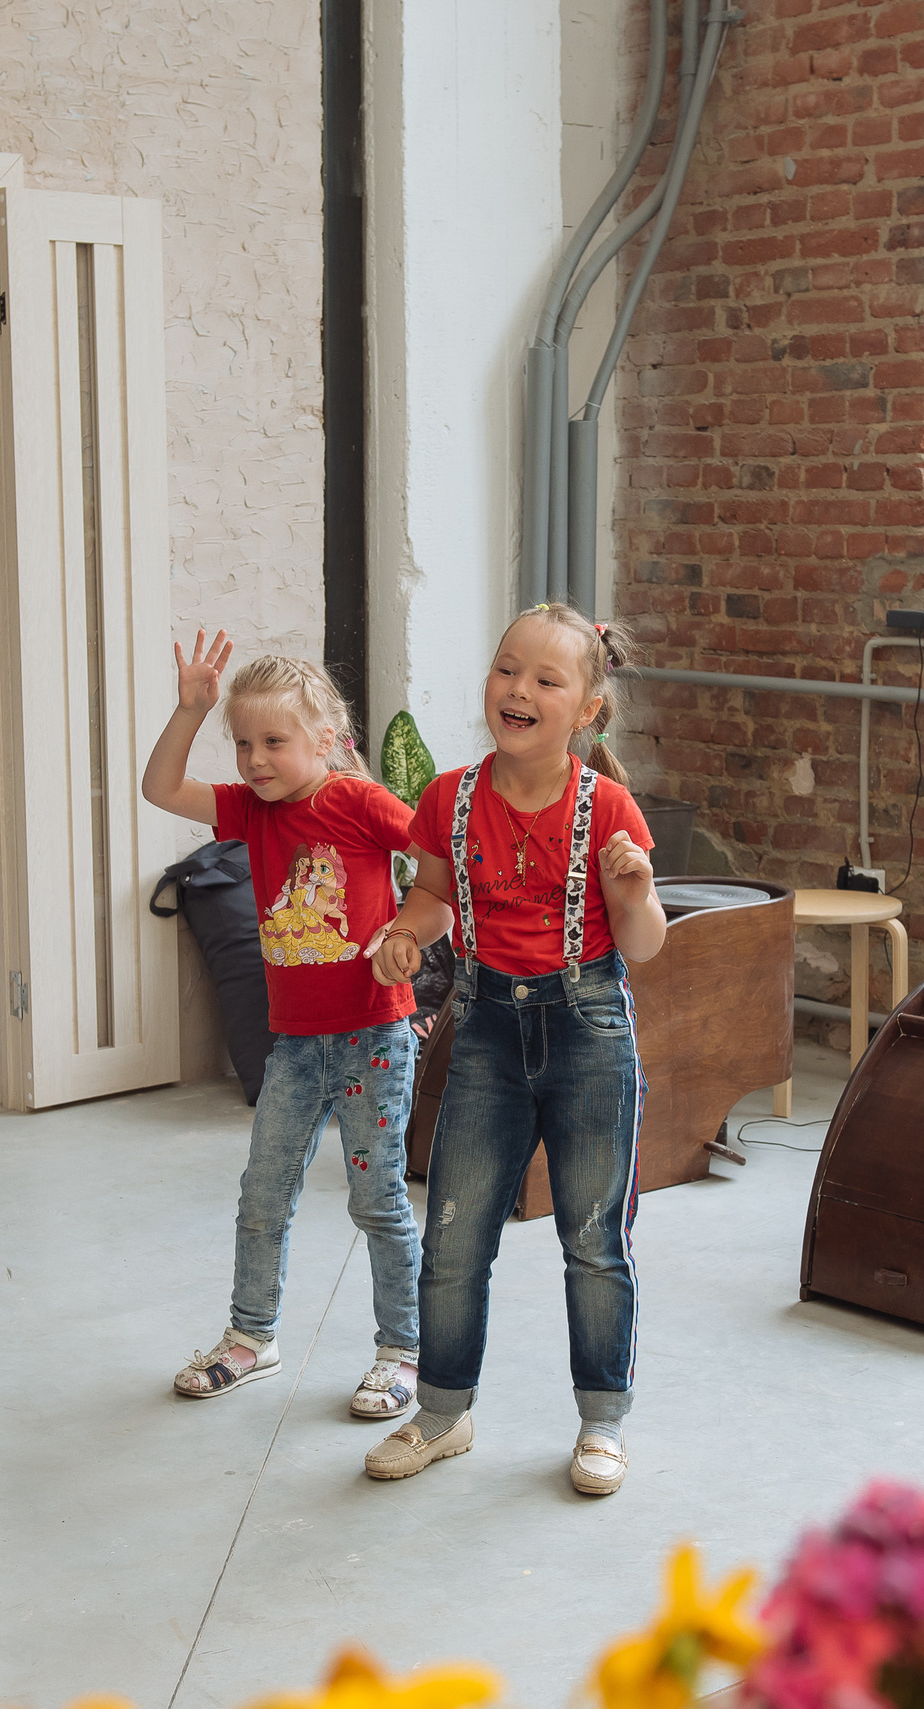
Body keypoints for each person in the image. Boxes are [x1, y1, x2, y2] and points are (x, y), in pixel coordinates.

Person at [359, 602, 665, 1497]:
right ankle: (442, 1412)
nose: (517, 688)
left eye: (545, 678)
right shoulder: (449, 798)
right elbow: (431, 900)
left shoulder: (607, 808)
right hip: (487, 1027)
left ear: (587, 710)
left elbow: (643, 945)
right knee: (454, 1235)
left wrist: (637, 893)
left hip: (589, 1030)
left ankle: (601, 1420)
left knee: (594, 1237)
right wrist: (405, 934)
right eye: (506, 668)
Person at [139, 635, 429, 1420]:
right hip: (295, 1046)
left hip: (374, 1039)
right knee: (262, 1195)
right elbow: (160, 787)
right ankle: (251, 1337)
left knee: (378, 1202)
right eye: (243, 742)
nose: (255, 759)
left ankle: (403, 1351)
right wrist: (190, 710)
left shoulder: (359, 802)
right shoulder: (248, 809)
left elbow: (437, 859)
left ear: (324, 738)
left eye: (274, 741)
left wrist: (405, 929)